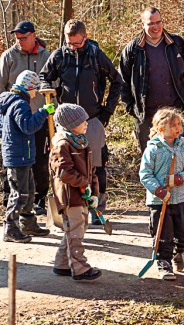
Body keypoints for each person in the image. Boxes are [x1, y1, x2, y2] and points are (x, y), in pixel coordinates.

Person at [40, 19, 123, 225]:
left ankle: (98, 209)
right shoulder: (59, 56)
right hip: (65, 123)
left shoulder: (96, 55)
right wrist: (54, 92)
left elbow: (117, 81)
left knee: (95, 165)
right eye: (69, 43)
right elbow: (44, 77)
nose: (73, 47)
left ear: (85, 38)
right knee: (65, 166)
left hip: (92, 119)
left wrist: (107, 112)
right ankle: (67, 207)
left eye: (77, 43)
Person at [119, 7, 184, 153]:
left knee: (178, 160)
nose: (156, 27)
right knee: (151, 162)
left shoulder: (177, 45)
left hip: (177, 113)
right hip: (146, 116)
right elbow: (123, 82)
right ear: (142, 25)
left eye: (158, 22)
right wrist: (132, 108)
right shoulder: (133, 50)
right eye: (151, 23)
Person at [0, 21, 53, 215]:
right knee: (14, 161)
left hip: (38, 119)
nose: (20, 42)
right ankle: (10, 202)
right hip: (13, 119)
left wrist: (49, 110)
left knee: (39, 160)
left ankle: (38, 201)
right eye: (17, 39)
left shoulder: (47, 57)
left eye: (24, 38)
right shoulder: (8, 57)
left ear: (33, 35)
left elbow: (53, 85)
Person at [139, 108, 184, 280]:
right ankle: (164, 263)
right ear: (161, 128)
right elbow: (145, 174)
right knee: (163, 234)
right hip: (159, 200)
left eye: (179, 124)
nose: (178, 128)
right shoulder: (153, 149)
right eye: (173, 125)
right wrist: (159, 191)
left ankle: (179, 252)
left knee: (183, 232)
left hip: (180, 198)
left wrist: (179, 179)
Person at [50, 103, 102, 281]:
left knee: (75, 229)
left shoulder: (82, 142)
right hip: (70, 197)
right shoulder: (62, 144)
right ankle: (80, 268)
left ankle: (62, 264)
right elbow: (64, 172)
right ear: (70, 124)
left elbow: (91, 171)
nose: (86, 123)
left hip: (82, 195)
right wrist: (83, 183)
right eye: (82, 121)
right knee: (76, 231)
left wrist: (94, 192)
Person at [0, 70, 53, 242]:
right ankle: (11, 227)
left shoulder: (11, 102)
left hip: (22, 153)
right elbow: (27, 126)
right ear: (29, 87)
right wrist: (43, 113)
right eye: (35, 89)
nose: (36, 93)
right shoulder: (19, 104)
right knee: (20, 193)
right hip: (18, 156)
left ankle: (28, 223)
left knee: (29, 191)